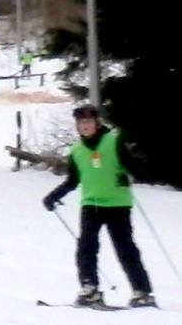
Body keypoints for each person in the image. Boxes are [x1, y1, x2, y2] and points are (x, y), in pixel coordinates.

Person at [42, 104, 155, 307]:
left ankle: (142, 292)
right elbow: (73, 180)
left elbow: (135, 167)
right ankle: (89, 288)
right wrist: (53, 196)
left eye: (88, 121)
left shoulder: (113, 141)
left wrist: (127, 175)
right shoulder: (76, 150)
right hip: (91, 204)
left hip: (117, 204)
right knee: (86, 247)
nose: (85, 126)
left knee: (125, 249)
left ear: (97, 122)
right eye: (81, 122)